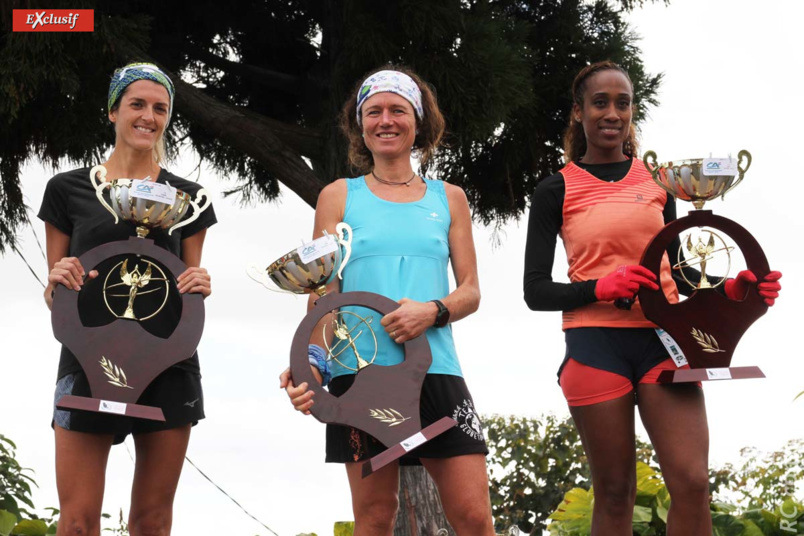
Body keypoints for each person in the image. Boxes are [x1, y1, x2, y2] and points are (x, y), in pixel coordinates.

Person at [523, 60, 782, 536]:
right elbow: (534, 290)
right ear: (578, 112)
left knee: (692, 484)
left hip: (667, 341)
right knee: (616, 492)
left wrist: (733, 290)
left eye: (623, 103)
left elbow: (680, 279)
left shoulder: (660, 184)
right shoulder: (554, 188)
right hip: (594, 345)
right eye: (600, 102)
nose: (612, 113)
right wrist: (599, 287)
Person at [279, 67, 495, 535]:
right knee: (375, 518)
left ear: (418, 121)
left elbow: (471, 291)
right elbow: (323, 292)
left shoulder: (450, 198)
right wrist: (310, 361)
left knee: (475, 518)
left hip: (437, 369)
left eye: (398, 109)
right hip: (359, 375)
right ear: (361, 125)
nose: (385, 120)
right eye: (373, 111)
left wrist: (431, 311)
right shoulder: (338, 196)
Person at [39, 62, 216, 536]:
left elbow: (189, 282)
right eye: (137, 104)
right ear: (113, 110)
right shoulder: (66, 189)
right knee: (76, 524)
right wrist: (57, 277)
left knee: (153, 524)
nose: (148, 117)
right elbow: (54, 293)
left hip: (169, 362)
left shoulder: (189, 198)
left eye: (160, 108)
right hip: (86, 357)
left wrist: (200, 284)